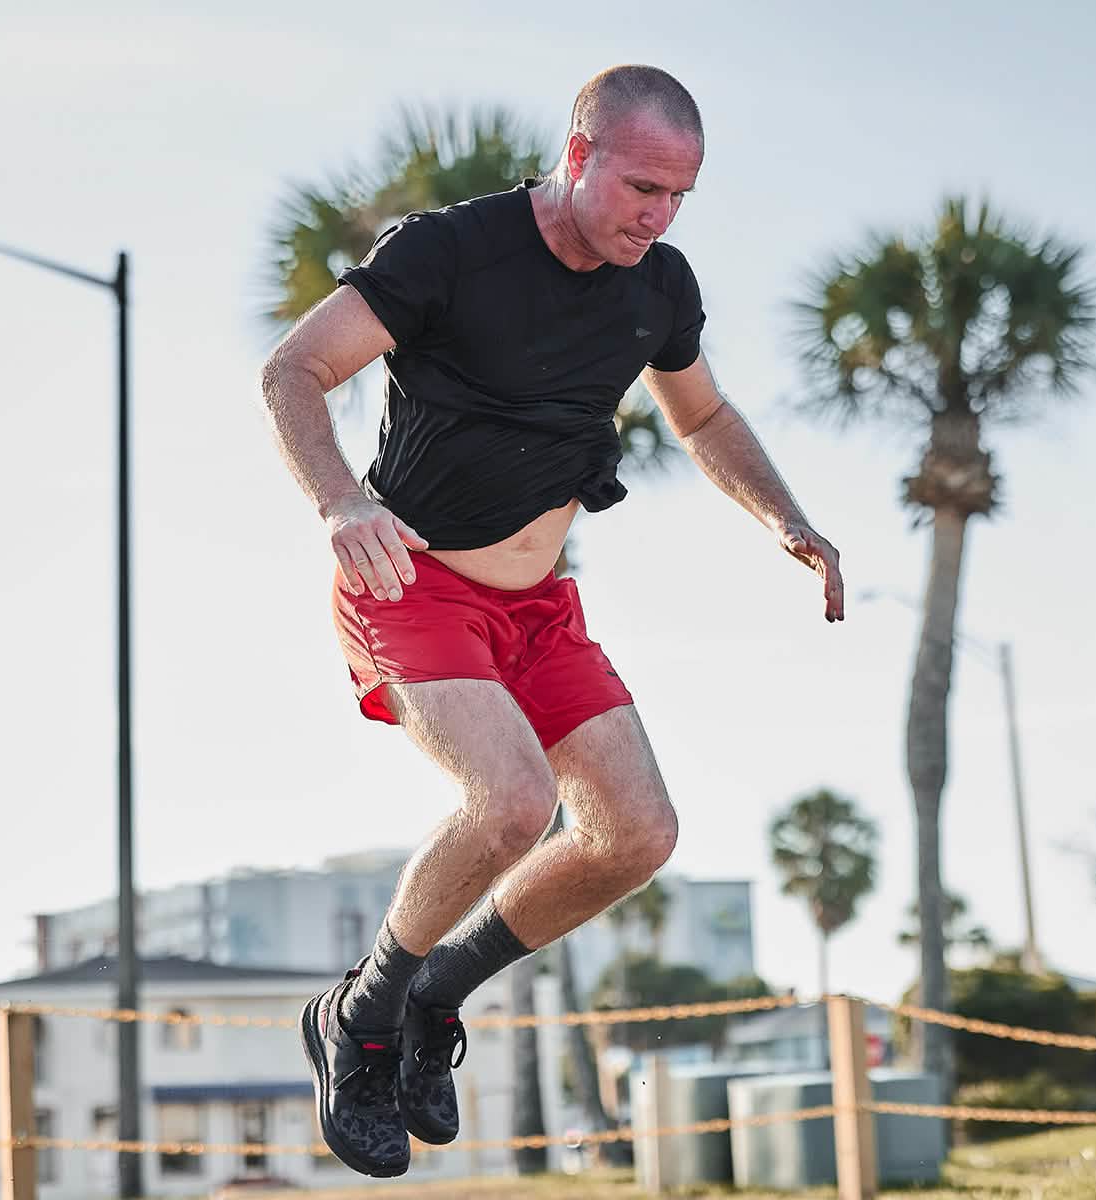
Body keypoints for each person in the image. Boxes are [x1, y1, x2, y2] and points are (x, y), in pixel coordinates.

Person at [260, 64, 844, 1179]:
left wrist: (787, 519)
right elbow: (291, 371)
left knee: (637, 835)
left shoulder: (658, 287)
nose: (657, 217)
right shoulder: (449, 251)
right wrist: (340, 500)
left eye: (679, 196)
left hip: (537, 605)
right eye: (640, 187)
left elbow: (706, 414)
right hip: (412, 581)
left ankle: (435, 993)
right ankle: (364, 1019)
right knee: (514, 801)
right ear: (578, 155)